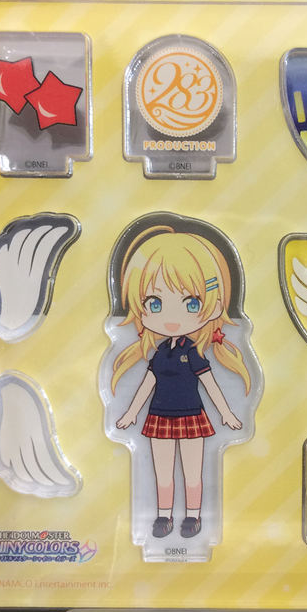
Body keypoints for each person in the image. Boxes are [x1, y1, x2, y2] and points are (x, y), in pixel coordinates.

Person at [113, 224, 250, 539]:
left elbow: (211, 384)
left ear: (214, 305)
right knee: (162, 474)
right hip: (158, 416)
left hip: (191, 416)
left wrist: (226, 413)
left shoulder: (194, 352)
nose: (171, 318)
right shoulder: (160, 352)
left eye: (191, 303)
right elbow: (147, 383)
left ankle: (193, 517)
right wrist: (131, 413)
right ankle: (163, 517)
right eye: (155, 304)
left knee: (192, 473)